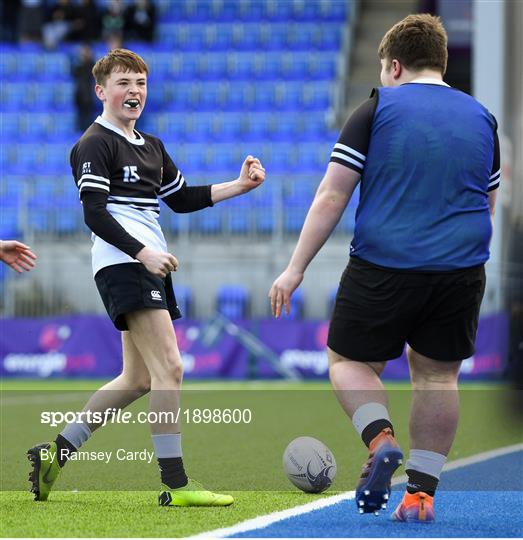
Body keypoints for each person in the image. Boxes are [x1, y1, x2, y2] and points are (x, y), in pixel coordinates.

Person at [269, 14, 499, 523]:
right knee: (438, 378)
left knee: (348, 362)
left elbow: (333, 193)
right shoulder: (482, 117)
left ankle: (381, 438)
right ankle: (420, 494)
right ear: (439, 61)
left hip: (386, 264)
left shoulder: (376, 109)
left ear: (393, 66)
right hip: (461, 270)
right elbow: (488, 202)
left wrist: (295, 267)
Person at [27, 48, 265, 507]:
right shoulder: (94, 142)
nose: (134, 91)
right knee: (170, 369)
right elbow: (95, 213)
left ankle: (55, 452)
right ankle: (176, 485)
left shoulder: (152, 145)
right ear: (101, 91)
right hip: (126, 263)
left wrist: (240, 186)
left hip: (144, 263)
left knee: (136, 379)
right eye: (123, 83)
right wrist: (143, 253)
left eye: (140, 83)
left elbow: (181, 198)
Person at [72, 44, 96, 132]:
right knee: (80, 123)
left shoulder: (93, 66)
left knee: (88, 124)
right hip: (79, 98)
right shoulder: (79, 67)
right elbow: (74, 73)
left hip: (89, 98)